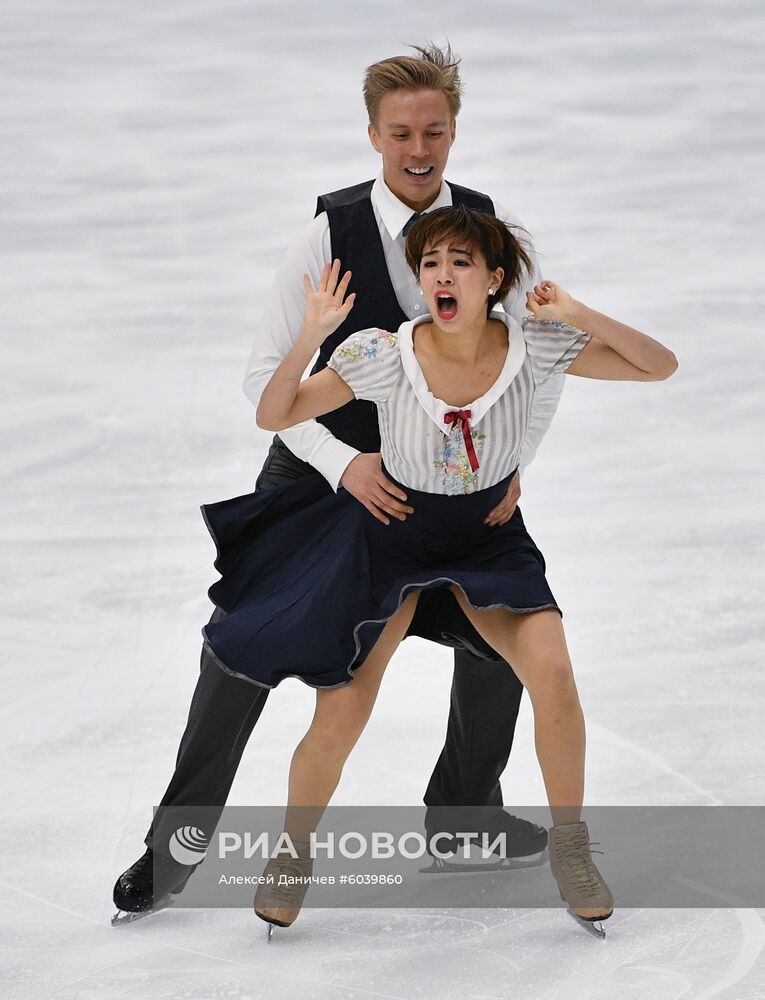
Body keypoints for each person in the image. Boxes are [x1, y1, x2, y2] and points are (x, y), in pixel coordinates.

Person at [113, 43, 564, 919]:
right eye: (401, 132)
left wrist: (512, 466)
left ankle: (463, 815)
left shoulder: (491, 232)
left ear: (454, 130)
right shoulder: (326, 233)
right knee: (241, 643)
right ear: (373, 135)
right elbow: (263, 383)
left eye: (434, 129)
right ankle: (178, 840)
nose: (418, 147)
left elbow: (537, 364)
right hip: (322, 464)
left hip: (436, 478)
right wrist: (345, 463)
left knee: (506, 623)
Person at [199, 205, 677, 936]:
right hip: (391, 541)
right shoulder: (383, 354)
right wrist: (309, 337)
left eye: (459, 262)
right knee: (342, 709)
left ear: (493, 280)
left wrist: (577, 310)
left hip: (488, 542)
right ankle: (292, 854)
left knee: (551, 674)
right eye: (429, 264)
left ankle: (571, 848)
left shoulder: (534, 346)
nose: (441, 275)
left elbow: (658, 365)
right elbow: (275, 413)